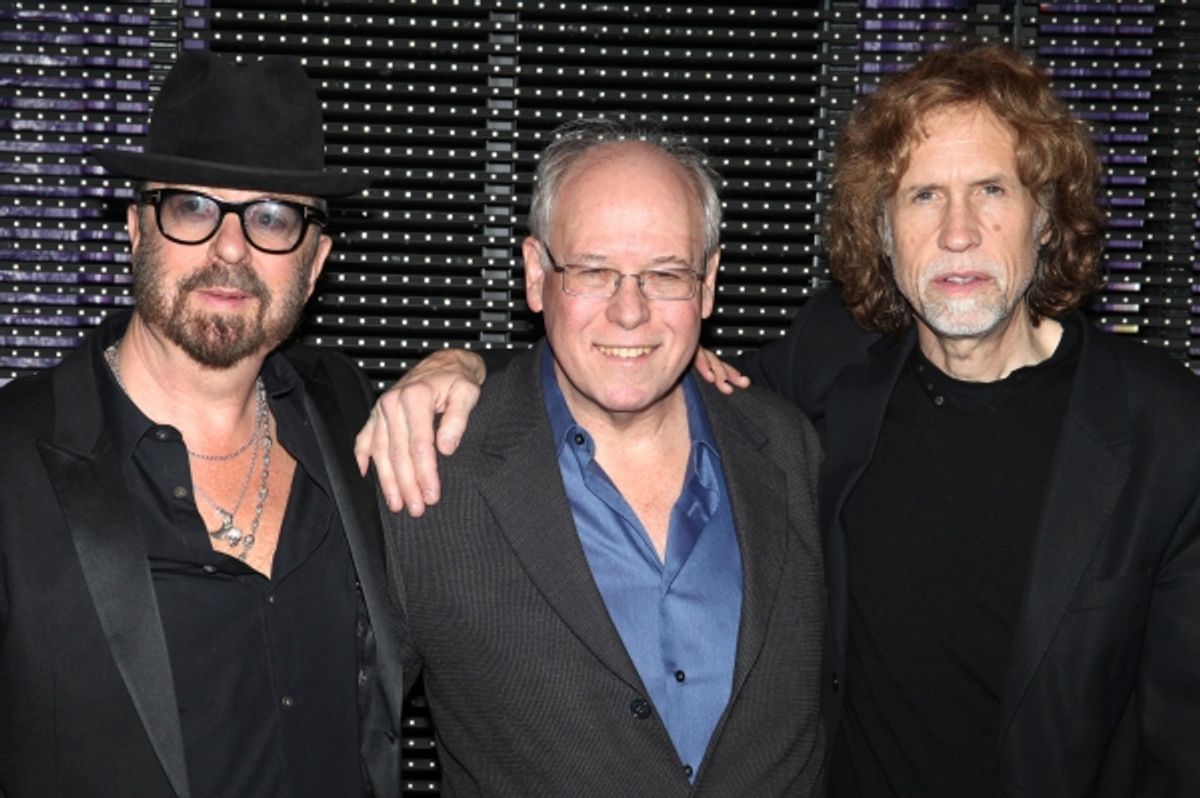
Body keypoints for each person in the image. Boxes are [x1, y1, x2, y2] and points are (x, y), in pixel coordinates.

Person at [359, 44, 1200, 795]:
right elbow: (613, 359)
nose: (958, 233)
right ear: (882, 227)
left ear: (1045, 214)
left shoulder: (1164, 429)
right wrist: (459, 368)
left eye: (992, 190)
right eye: (922, 197)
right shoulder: (833, 371)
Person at [0, 51, 406, 797]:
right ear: (135, 229)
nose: (230, 247)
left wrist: (468, 366)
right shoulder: (12, 458)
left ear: (314, 264)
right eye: (191, 206)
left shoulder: (350, 416)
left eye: (273, 217)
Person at [382, 118, 826, 796]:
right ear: (537, 276)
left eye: (665, 275)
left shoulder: (792, 449)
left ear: (706, 285)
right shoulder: (430, 475)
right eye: (593, 271)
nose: (629, 311)